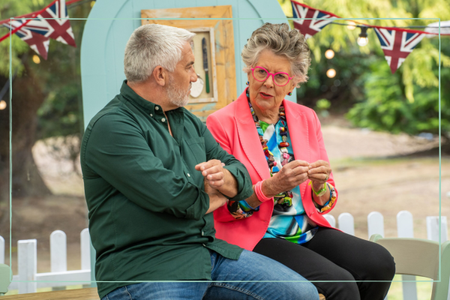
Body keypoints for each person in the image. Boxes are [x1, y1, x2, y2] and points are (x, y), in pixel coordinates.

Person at [80, 23, 320, 300]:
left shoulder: (189, 123)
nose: (196, 77)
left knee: (301, 294)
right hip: (144, 271)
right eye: (190, 67)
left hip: (207, 256)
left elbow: (240, 177)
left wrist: (225, 182)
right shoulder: (111, 126)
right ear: (160, 74)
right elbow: (175, 197)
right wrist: (217, 191)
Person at [206, 23, 396, 300]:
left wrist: (319, 185)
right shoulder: (221, 123)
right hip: (257, 237)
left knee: (379, 263)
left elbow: (325, 199)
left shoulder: (306, 118)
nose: (268, 82)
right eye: (262, 71)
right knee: (341, 285)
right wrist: (269, 188)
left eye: (280, 76)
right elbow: (222, 211)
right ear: (249, 70)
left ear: (295, 81)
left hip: (307, 230)